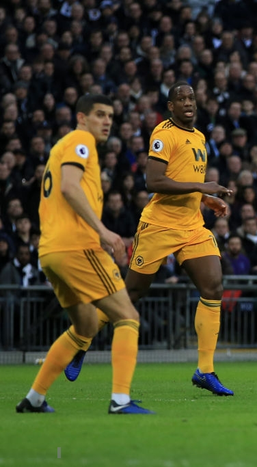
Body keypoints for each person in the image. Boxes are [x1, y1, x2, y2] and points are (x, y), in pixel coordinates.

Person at [65, 83, 235, 396]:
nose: (188, 103)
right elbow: (154, 181)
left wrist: (206, 198)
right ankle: (81, 341)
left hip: (192, 226)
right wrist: (205, 186)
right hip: (158, 226)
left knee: (213, 287)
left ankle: (205, 370)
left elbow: (186, 181)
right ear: (170, 106)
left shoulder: (199, 137)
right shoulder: (163, 133)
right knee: (131, 293)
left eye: (191, 98)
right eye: (181, 99)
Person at [16, 94, 153, 414]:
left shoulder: (62, 147)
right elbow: (69, 187)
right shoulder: (80, 140)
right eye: (100, 115)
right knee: (128, 316)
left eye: (110, 116)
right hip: (76, 247)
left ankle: (34, 398)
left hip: (51, 251)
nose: (107, 121)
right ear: (81, 118)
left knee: (86, 326)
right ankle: (120, 400)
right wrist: (103, 231)